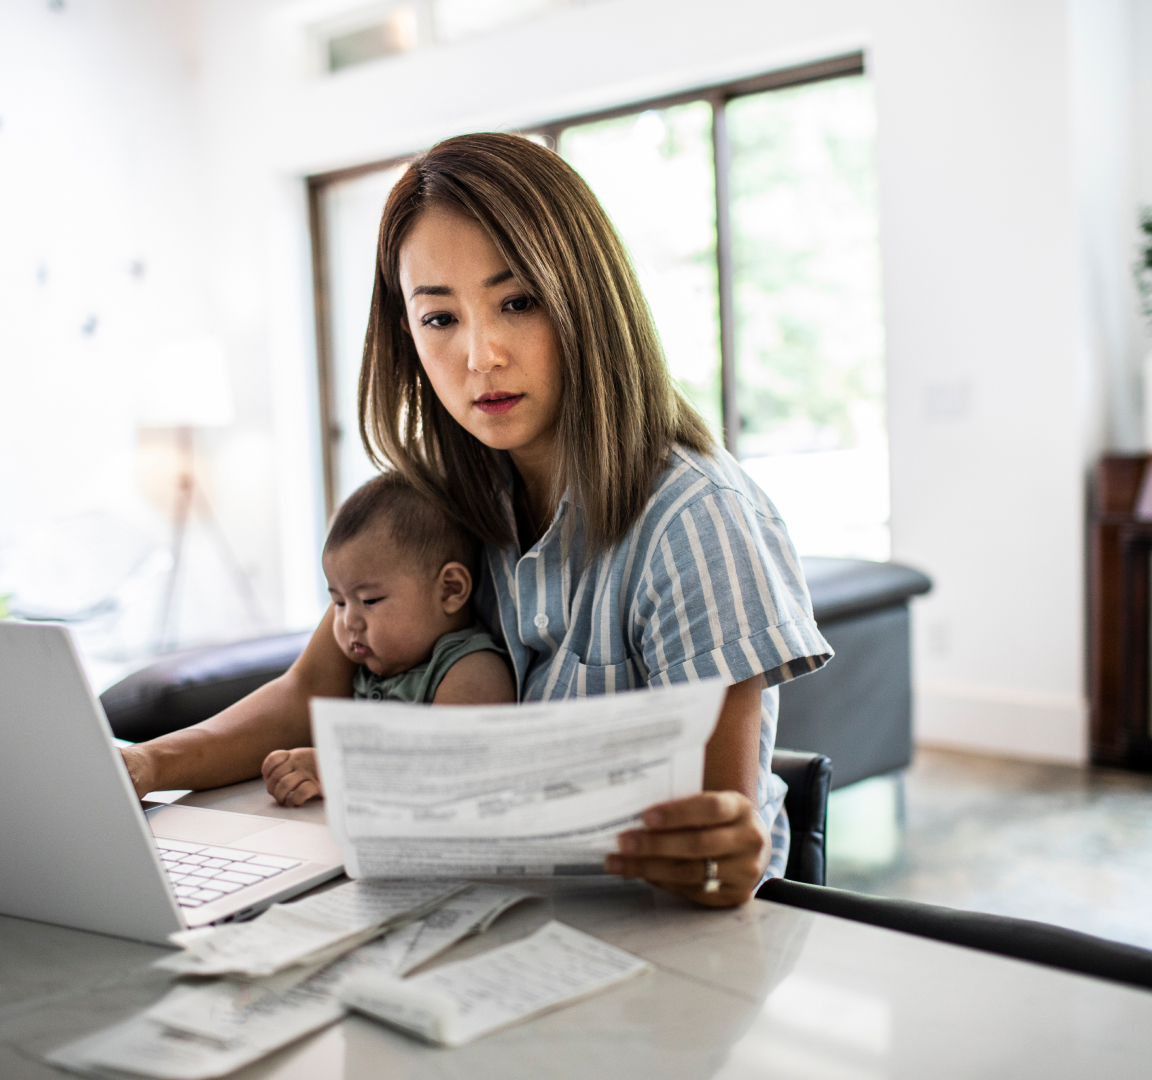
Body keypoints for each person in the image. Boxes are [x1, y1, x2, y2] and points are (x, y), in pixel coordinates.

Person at [121, 132, 831, 907]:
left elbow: (715, 838)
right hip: (469, 908)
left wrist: (724, 847)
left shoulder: (697, 521)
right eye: (439, 319)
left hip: (644, 938)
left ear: (586, 301)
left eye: (517, 303)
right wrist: (145, 766)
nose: (480, 355)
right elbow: (309, 694)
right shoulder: (432, 500)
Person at [262, 471, 515, 807]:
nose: (349, 620)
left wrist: (334, 769)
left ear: (451, 589)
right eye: (338, 602)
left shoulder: (470, 669)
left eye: (370, 601)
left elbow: (451, 769)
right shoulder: (370, 667)